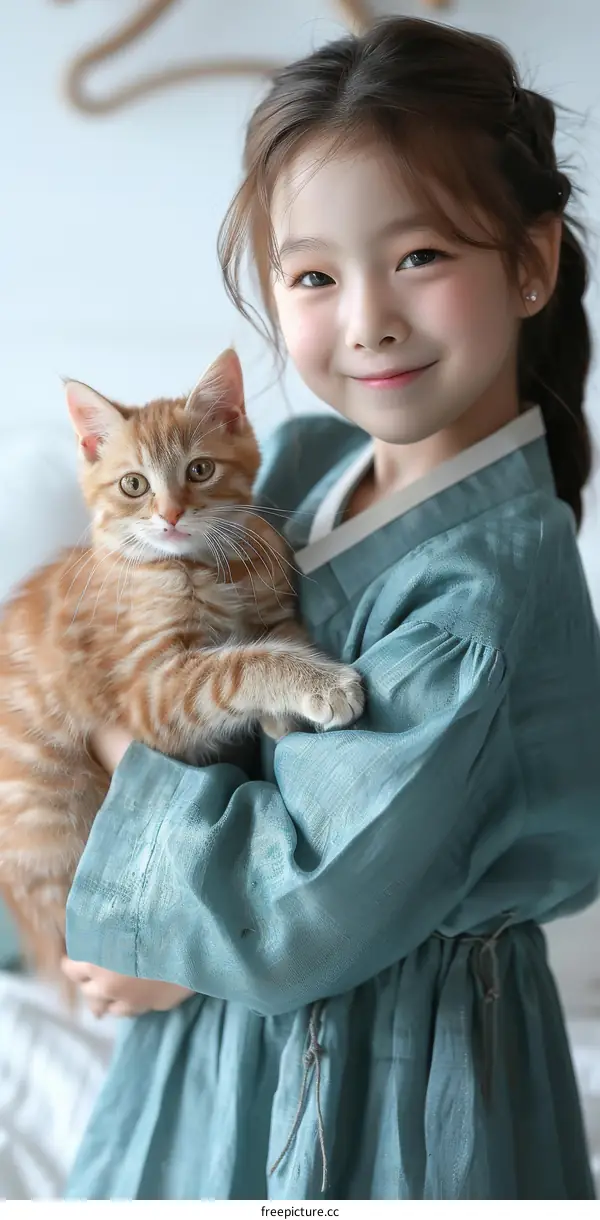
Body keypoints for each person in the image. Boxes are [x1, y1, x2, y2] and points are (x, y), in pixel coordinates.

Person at [62, 16, 600, 1200]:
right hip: (223, 1031)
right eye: (314, 275)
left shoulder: (481, 595)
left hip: (369, 1070)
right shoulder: (302, 472)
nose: (366, 317)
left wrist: (113, 750)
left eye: (418, 257)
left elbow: (299, 907)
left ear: (529, 262)